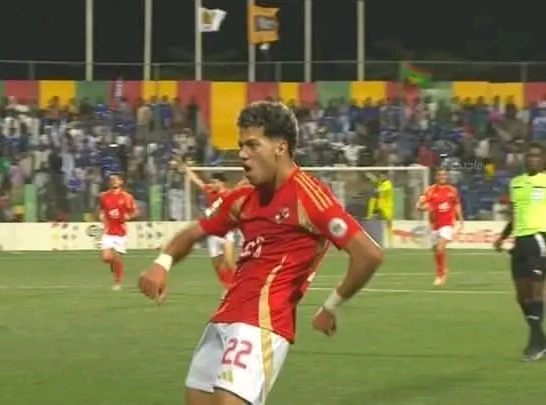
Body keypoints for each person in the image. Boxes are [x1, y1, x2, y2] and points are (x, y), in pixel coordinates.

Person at [137, 101, 384, 405]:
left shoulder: (308, 195)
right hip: (223, 318)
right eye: (241, 145)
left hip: (263, 323)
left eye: (253, 145)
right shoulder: (243, 196)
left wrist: (330, 307)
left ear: (281, 148)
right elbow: (195, 232)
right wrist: (162, 263)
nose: (242, 154)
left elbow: (368, 254)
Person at [494, 143, 546, 361]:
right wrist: (503, 237)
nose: (533, 159)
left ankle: (536, 344)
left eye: (537, 156)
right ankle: (540, 340)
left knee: (536, 292)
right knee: (522, 296)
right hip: (520, 242)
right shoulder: (516, 183)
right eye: (529, 156)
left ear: (544, 160)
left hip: (539, 238)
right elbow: (514, 215)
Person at [182, 163, 237, 292]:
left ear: (221, 183)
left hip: (226, 232)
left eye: (214, 182)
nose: (211, 185)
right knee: (217, 266)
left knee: (229, 261)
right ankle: (228, 288)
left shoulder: (230, 194)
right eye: (211, 182)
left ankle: (240, 285)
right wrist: (187, 170)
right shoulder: (210, 192)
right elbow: (197, 181)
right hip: (212, 234)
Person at [416, 168, 464, 286]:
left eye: (444, 175)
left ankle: (440, 274)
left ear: (447, 177)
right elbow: (422, 206)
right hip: (434, 225)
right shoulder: (430, 190)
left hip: (447, 224)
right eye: (440, 175)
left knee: (440, 248)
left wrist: (461, 219)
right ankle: (442, 268)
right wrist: (421, 205)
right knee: (436, 250)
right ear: (436, 177)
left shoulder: (452, 190)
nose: (442, 177)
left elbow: (457, 204)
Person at [99, 174, 138, 291]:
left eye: (116, 179)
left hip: (121, 232)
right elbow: (102, 209)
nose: (114, 181)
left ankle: (118, 281)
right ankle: (116, 267)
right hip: (108, 231)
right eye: (112, 180)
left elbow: (135, 212)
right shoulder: (104, 196)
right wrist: (101, 216)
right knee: (106, 258)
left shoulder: (126, 197)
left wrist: (128, 216)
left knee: (117, 258)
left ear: (121, 182)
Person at [367, 173, 394, 247]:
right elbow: (376, 181)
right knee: (374, 221)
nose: (381, 177)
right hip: (380, 207)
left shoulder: (388, 184)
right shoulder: (381, 182)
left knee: (388, 224)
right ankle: (376, 241)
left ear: (386, 176)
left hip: (387, 207)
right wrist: (371, 177)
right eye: (380, 176)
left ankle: (391, 243)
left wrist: (376, 189)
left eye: (382, 176)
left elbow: (380, 189)